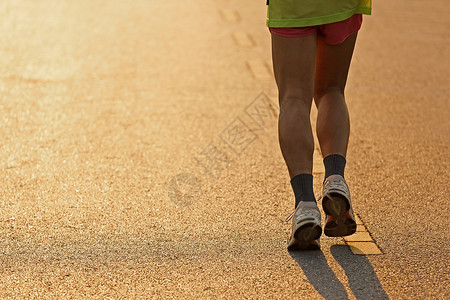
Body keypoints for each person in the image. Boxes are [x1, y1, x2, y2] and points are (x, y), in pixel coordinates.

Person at [267, 0, 372, 250]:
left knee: (294, 98)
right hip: (342, 3)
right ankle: (335, 178)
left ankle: (305, 205)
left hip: (292, 6)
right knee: (332, 90)